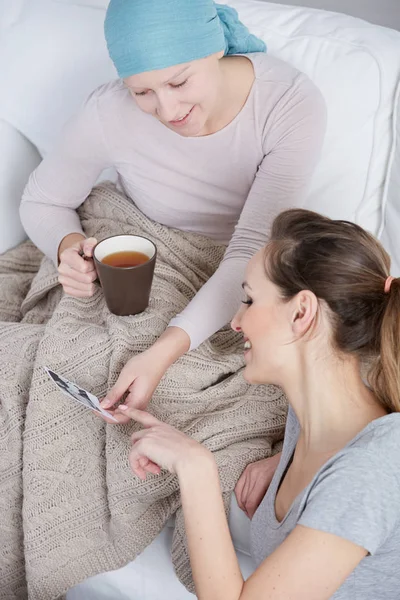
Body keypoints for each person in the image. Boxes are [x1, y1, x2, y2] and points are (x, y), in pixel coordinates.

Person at [20, 0, 326, 424]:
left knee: (189, 396)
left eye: (179, 82)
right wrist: (67, 247)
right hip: (139, 244)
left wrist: (161, 354)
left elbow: (253, 248)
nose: (167, 111)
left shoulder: (289, 104)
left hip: (239, 274)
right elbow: (41, 200)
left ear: (215, 48)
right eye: (142, 92)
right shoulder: (108, 112)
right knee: (68, 363)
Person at [114, 208, 400, 599]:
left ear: (302, 312)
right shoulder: (315, 413)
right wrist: (282, 460)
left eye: (249, 300)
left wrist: (196, 468)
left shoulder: (369, 470)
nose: (235, 321)